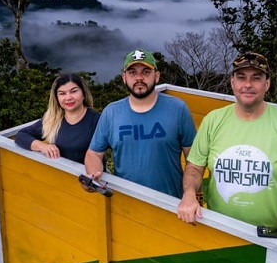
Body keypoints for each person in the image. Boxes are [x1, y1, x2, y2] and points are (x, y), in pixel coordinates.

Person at [176, 51, 277, 238]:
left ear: (267, 84)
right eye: (241, 77)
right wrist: (189, 194)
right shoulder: (213, 121)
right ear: (232, 82)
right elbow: (194, 168)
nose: (247, 84)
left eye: (256, 78)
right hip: (217, 230)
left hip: (271, 238)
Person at [83, 49, 197, 197]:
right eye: (132, 73)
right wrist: (93, 176)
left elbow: (194, 160)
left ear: (156, 76)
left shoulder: (177, 108)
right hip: (126, 201)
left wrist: (190, 193)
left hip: (171, 203)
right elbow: (94, 153)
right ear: (124, 78)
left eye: (146, 72)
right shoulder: (111, 112)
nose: (139, 78)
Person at [15, 73, 100, 164]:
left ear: (83, 94)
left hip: (89, 173)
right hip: (58, 172)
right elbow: (21, 135)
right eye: (62, 93)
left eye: (73, 91)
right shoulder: (53, 119)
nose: (68, 97)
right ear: (57, 98)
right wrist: (41, 146)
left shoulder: (98, 120)